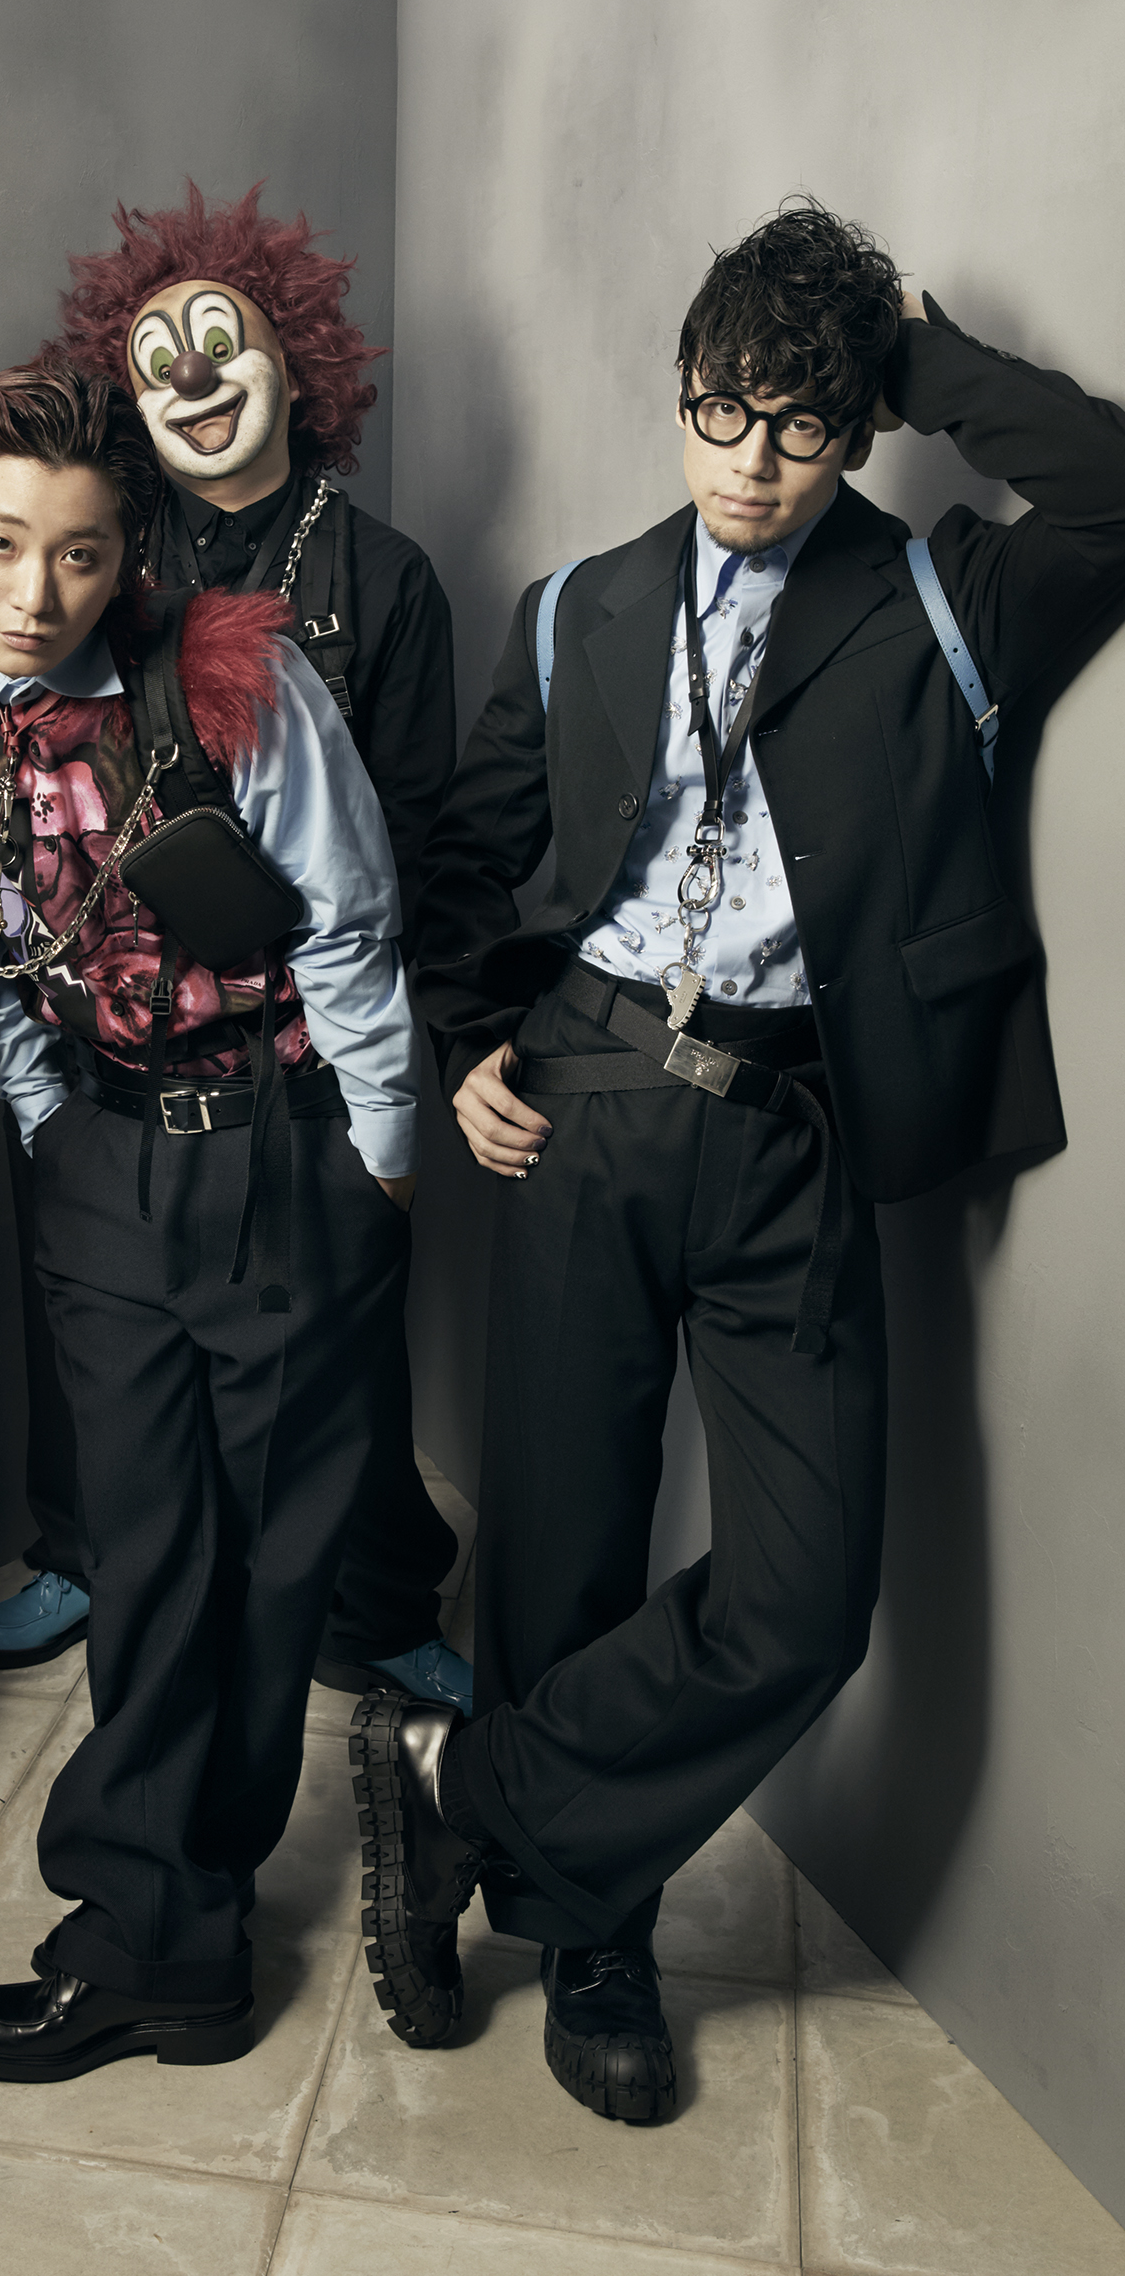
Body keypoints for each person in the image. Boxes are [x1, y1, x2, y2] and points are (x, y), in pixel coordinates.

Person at [355, 201, 1125, 2123]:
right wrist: (468, 1047)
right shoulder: (580, 607)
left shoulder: (941, 596)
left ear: (859, 427)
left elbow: (1116, 494)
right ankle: (587, 1924)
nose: (750, 462)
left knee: (804, 1596)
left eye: (800, 423)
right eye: (720, 409)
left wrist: (921, 348)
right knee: (564, 1545)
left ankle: (464, 1791)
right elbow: (465, 859)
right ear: (680, 394)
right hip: (590, 1100)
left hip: (794, 1130)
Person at [0, 362, 419, 2079]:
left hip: (286, 1152)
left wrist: (378, 1165)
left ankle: (181, 1932)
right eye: (2, 543)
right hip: (99, 1162)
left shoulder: (230, 681)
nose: (37, 591)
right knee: (148, 1551)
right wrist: (52, 1128)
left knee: (269, 1558)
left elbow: (351, 925)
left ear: (126, 556)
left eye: (80, 554)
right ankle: (157, 1927)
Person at [0, 184, 468, 1713]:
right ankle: (86, 1555)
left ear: (299, 364)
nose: (190, 378)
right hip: (103, 1029)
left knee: (344, 1343)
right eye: (155, 356)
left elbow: (418, 835)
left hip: (302, 1036)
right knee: (88, 1326)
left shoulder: (386, 576)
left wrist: (387, 1066)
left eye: (222, 344)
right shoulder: (95, 554)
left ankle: (376, 1600)